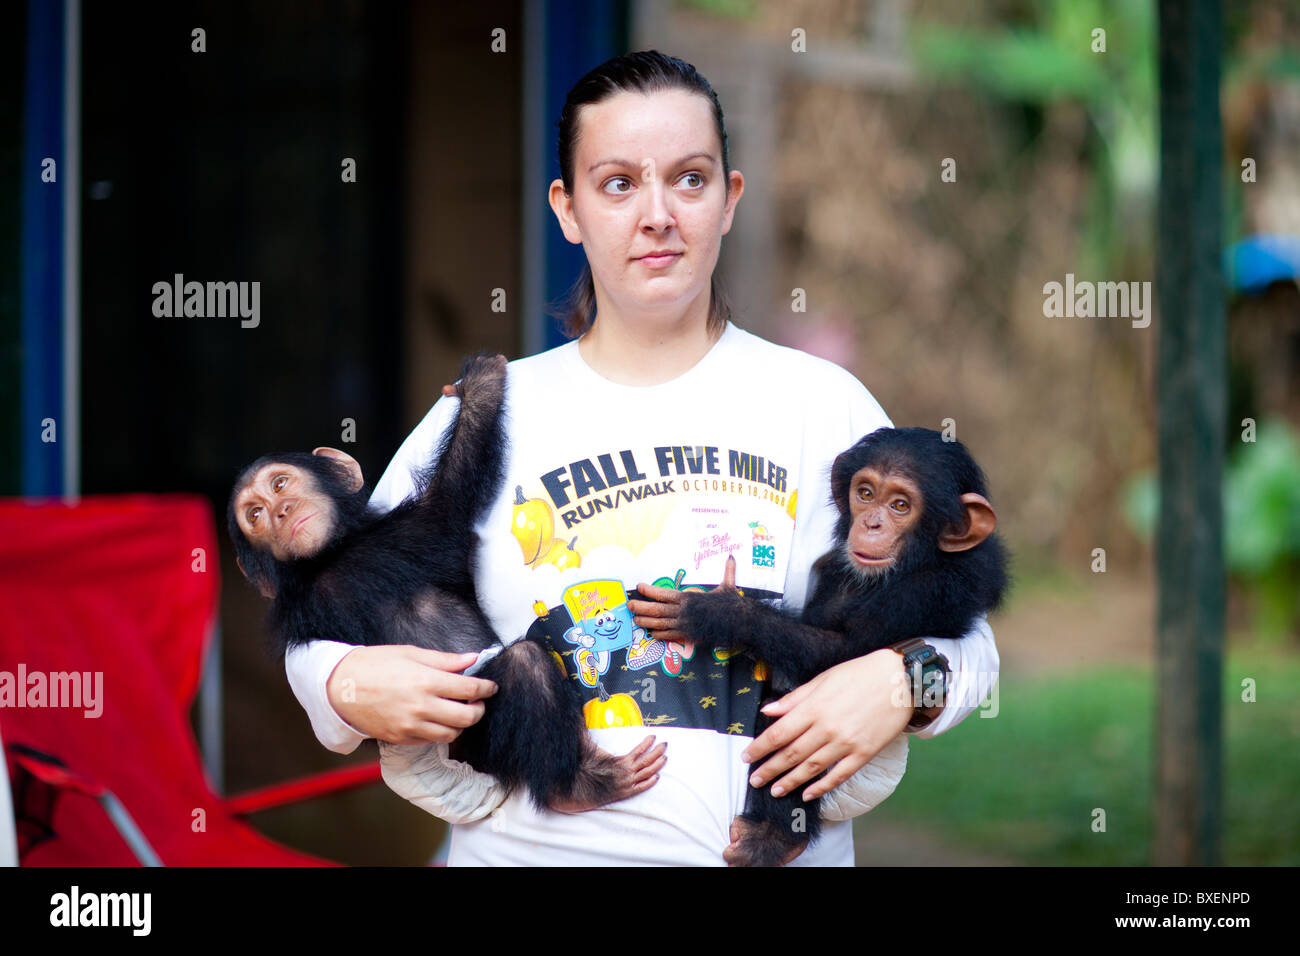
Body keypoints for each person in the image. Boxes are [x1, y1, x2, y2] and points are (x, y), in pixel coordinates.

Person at [285, 50, 998, 866]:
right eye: (619, 183)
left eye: (690, 179)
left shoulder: (827, 408)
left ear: (729, 200)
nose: (658, 214)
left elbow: (971, 644)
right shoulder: (486, 411)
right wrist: (343, 687)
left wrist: (905, 683)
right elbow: (326, 622)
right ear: (569, 209)